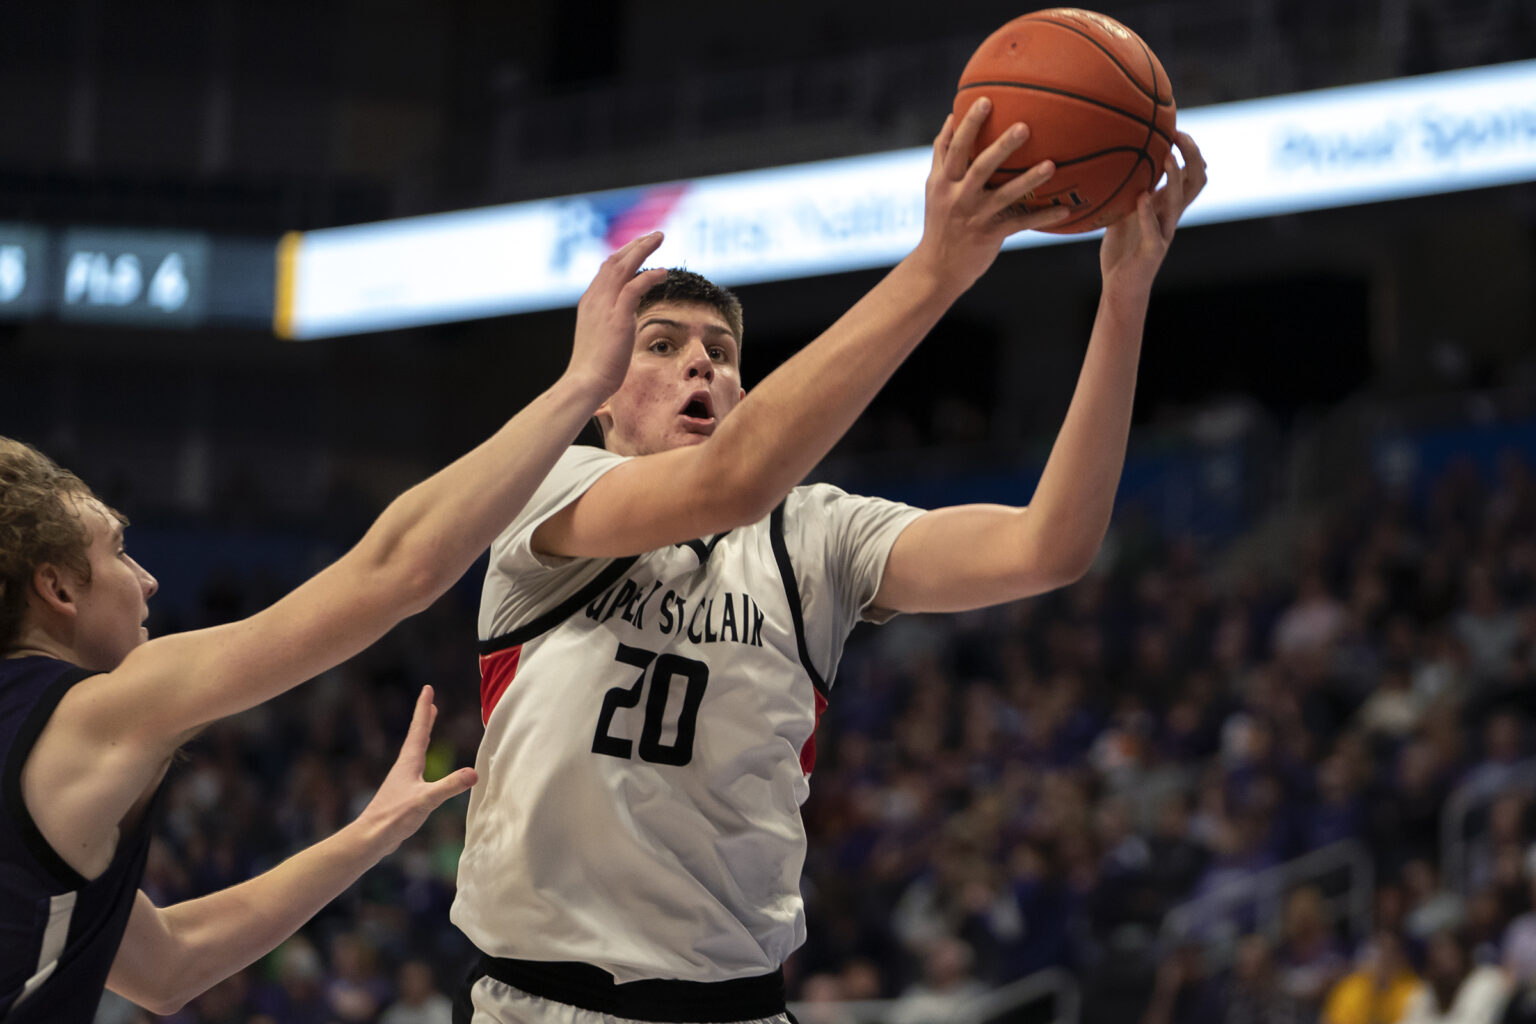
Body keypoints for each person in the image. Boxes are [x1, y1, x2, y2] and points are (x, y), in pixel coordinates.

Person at [458, 98, 1207, 1024]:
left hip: (739, 1006)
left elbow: (1048, 546)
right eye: (663, 346)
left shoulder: (814, 533)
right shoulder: (547, 489)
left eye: (722, 353)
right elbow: (725, 482)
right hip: (540, 1003)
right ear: (603, 398)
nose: (701, 365)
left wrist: (1124, 300)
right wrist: (937, 268)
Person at [0, 232, 671, 1022]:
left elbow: (168, 967)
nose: (148, 579)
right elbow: (395, 572)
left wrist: (371, 833)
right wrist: (581, 383)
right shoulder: (89, 715)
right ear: (55, 589)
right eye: (117, 550)